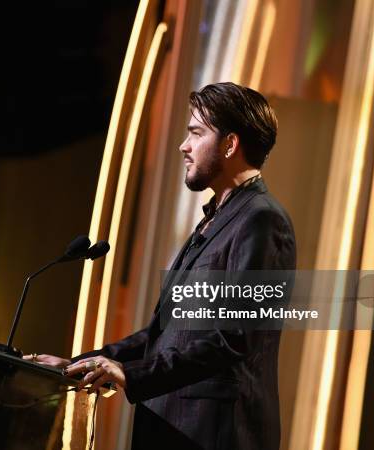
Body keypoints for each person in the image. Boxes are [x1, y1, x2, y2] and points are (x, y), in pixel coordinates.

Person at [26, 82, 296, 450]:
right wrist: (83, 364)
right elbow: (163, 333)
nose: (183, 146)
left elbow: (233, 338)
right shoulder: (218, 217)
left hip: (213, 434)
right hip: (175, 428)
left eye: (196, 133)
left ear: (230, 145)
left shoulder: (262, 220)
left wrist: (131, 374)